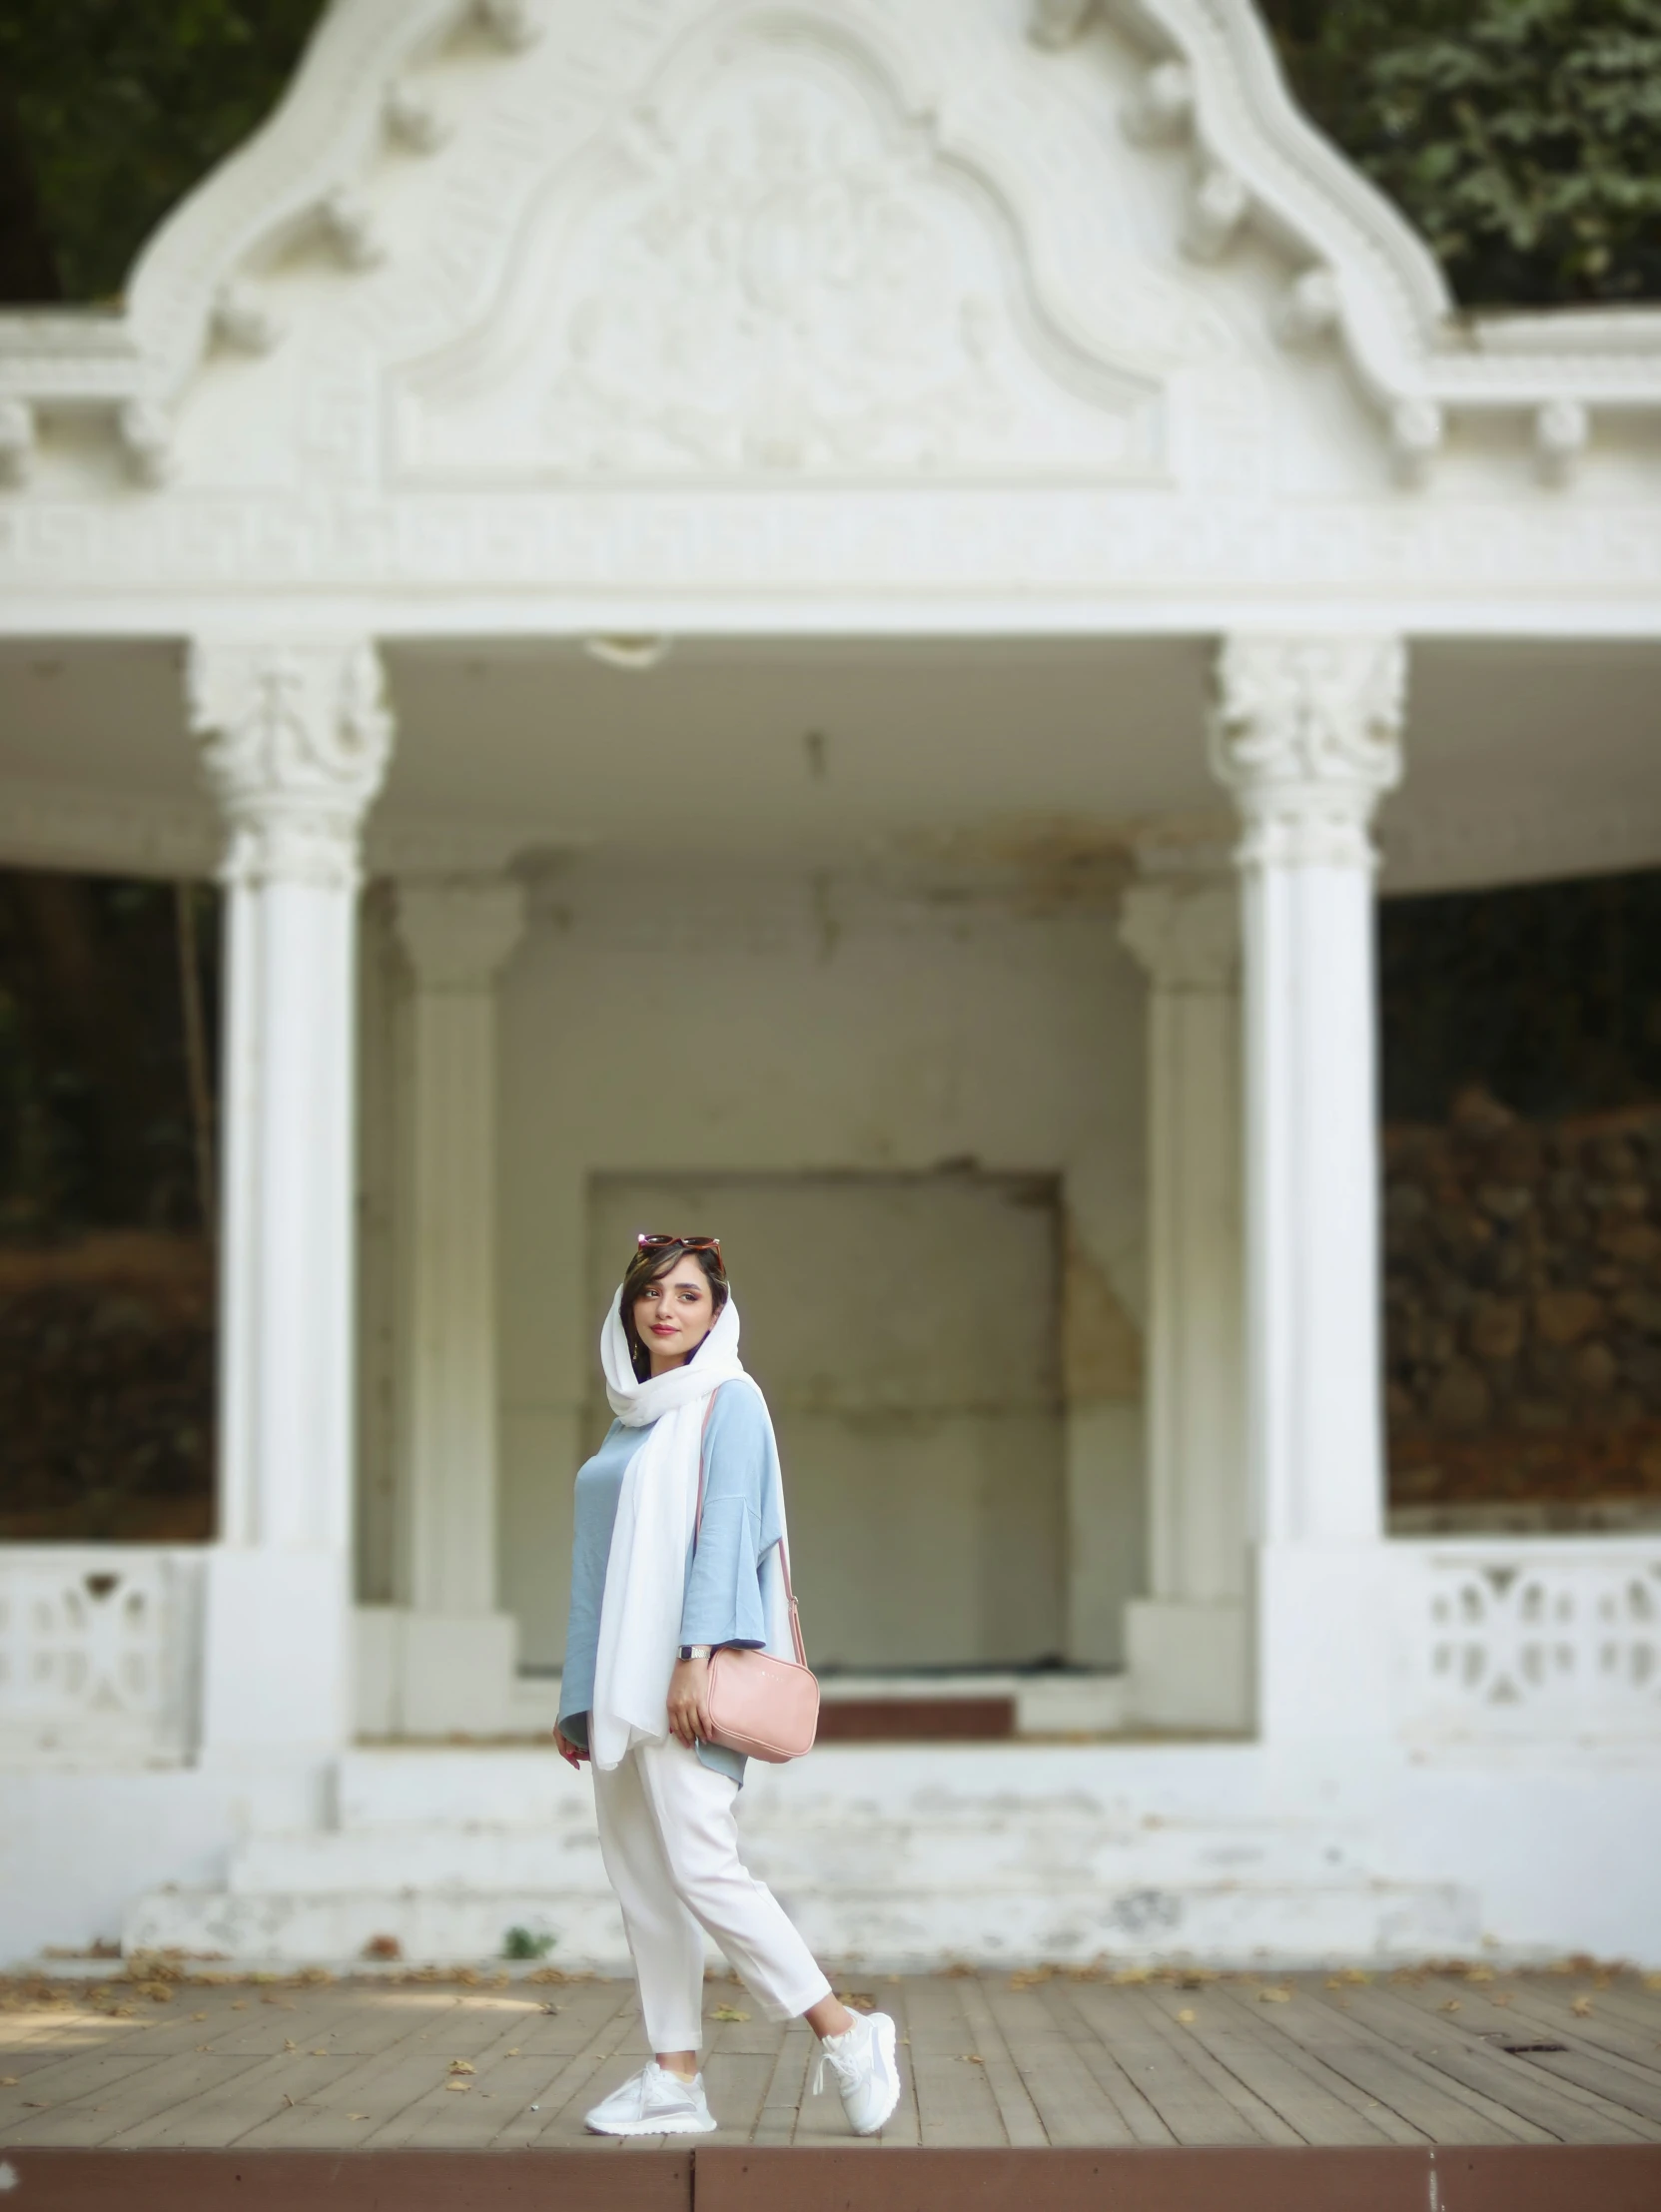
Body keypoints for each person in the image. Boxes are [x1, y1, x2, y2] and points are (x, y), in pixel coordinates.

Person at [555, 1231, 902, 2139]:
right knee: (642, 1880)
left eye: (687, 1296)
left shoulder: (729, 1401)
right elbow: (596, 1571)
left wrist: (696, 1654)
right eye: (650, 1295)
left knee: (704, 1865)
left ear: (716, 1312)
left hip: (683, 1680)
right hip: (616, 1688)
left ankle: (845, 2030)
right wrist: (576, 1697)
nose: (665, 1309)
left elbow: (730, 1534)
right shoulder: (631, 1416)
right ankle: (674, 2078)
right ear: (628, 1310)